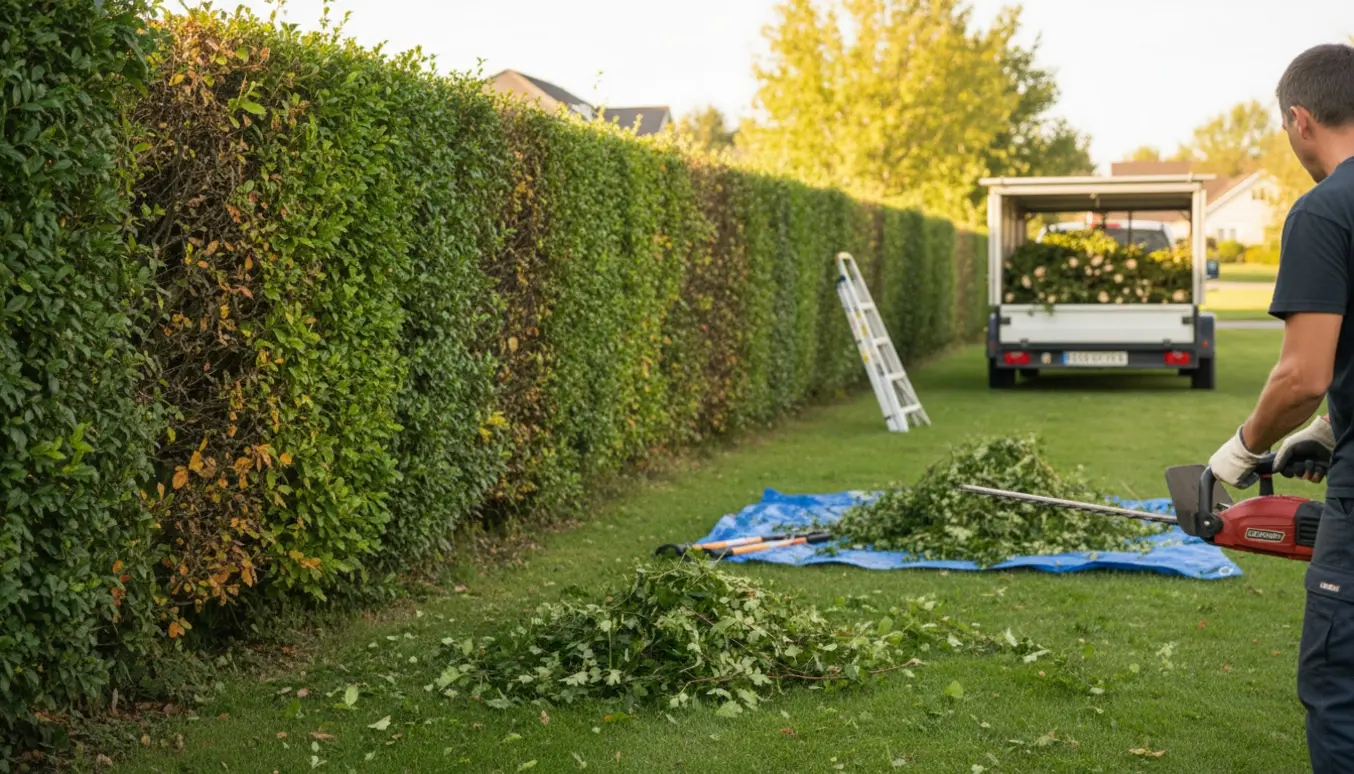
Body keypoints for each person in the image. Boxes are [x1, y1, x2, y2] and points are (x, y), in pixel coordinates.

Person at [1207, 42, 1354, 774]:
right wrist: (1329, 427)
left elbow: (1300, 373)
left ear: (1301, 121)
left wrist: (1239, 451)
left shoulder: (1327, 210)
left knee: (1340, 686)